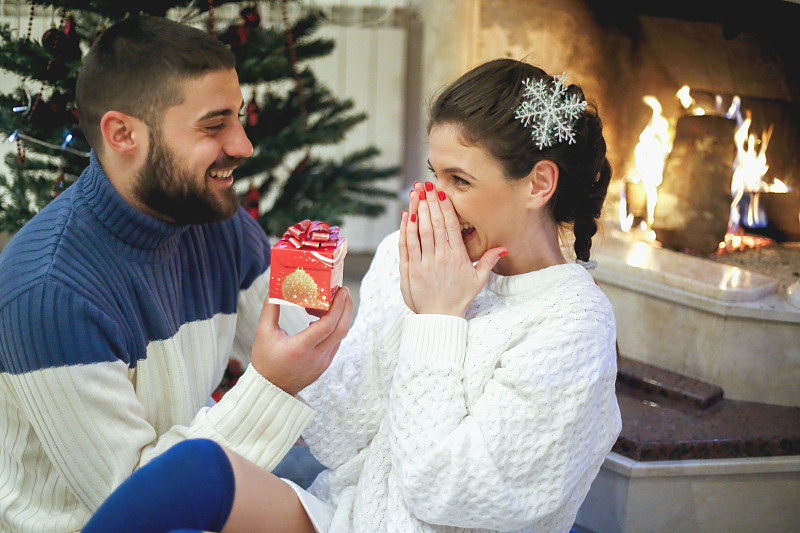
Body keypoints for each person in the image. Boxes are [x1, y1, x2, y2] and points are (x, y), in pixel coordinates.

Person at [81, 57, 621, 533]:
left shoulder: (573, 325)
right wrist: (317, 337)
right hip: (350, 518)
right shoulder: (416, 261)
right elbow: (342, 437)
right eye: (434, 174)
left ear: (538, 184)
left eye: (459, 180)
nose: (434, 201)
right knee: (196, 471)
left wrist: (436, 320)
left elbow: (442, 491)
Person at [0, 15, 352, 533]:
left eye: (237, 118)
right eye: (214, 125)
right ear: (123, 133)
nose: (244, 145)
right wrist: (274, 383)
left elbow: (319, 358)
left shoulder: (215, 223)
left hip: (201, 492)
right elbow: (141, 505)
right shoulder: (50, 292)